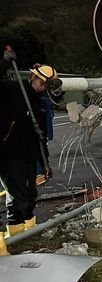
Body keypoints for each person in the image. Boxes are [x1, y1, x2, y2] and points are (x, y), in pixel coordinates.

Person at [0, 48, 59, 255]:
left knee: (31, 195)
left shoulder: (40, 104)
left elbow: (41, 135)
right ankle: (16, 238)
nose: (43, 88)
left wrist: (45, 163)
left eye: (46, 86)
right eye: (41, 83)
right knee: (18, 197)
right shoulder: (13, 89)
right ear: (33, 77)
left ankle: (28, 234)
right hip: (8, 153)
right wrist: (5, 63)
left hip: (29, 155)